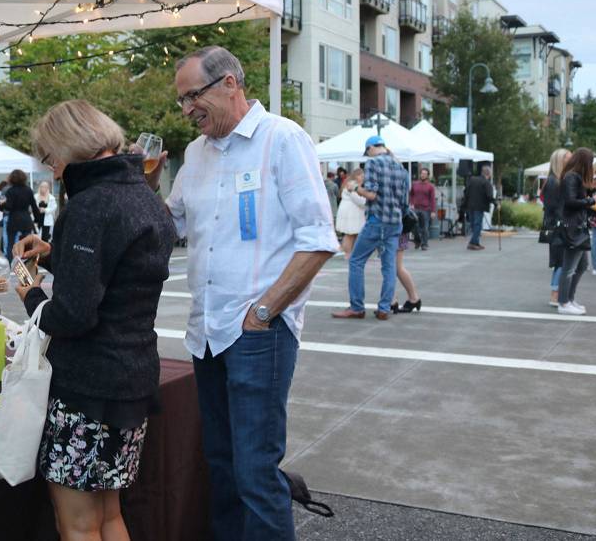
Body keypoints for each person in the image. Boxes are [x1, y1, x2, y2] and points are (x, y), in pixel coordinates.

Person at [152, 46, 337, 540]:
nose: (187, 108)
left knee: (255, 470)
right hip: (207, 333)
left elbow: (318, 240)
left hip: (259, 333)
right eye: (182, 100)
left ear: (230, 83)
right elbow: (166, 225)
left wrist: (263, 312)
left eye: (193, 95)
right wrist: (140, 185)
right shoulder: (196, 154)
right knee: (222, 464)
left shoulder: (282, 139)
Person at [13, 100, 176, 541]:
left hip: (88, 385)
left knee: (78, 523)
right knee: (109, 515)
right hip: (133, 376)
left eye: (49, 157)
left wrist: (30, 294)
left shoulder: (90, 206)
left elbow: (73, 315)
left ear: (66, 149)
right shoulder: (144, 196)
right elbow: (122, 272)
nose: (51, 169)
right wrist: (56, 254)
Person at [333, 135, 410, 322]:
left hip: (377, 221)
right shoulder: (400, 166)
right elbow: (405, 202)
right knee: (389, 266)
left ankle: (357, 307)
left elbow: (372, 194)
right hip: (395, 222)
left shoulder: (374, 163)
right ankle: (384, 308)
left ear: (370, 149)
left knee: (356, 261)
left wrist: (354, 188)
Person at [556, 148, 596, 315]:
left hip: (578, 227)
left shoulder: (574, 176)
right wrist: (592, 199)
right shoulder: (571, 177)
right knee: (570, 268)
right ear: (584, 162)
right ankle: (564, 302)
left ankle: (569, 300)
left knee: (581, 266)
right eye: (590, 162)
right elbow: (570, 202)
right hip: (573, 227)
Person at [542, 148, 571, 307]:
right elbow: (553, 207)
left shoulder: (557, 180)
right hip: (557, 226)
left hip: (557, 225)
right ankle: (555, 294)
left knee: (561, 261)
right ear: (560, 161)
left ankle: (557, 293)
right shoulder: (554, 181)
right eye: (568, 158)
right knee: (561, 261)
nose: (571, 160)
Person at [2, 169, 41, 262]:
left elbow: (8, 207)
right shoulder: (28, 190)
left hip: (14, 218)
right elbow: (34, 207)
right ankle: (26, 263)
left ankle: (11, 263)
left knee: (11, 243)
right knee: (27, 243)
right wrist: (37, 220)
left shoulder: (10, 191)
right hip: (26, 219)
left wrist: (2, 204)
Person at [335, 168, 367, 260]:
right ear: (356, 176)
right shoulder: (353, 185)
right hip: (351, 212)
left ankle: (349, 253)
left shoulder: (349, 183)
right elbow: (357, 199)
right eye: (361, 176)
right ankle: (348, 254)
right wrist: (367, 200)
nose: (363, 178)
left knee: (351, 234)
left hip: (349, 211)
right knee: (350, 234)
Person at [463, 165, 495, 250]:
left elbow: (466, 192)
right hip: (479, 207)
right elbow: (489, 196)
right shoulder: (486, 182)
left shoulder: (472, 180)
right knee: (478, 225)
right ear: (489, 174)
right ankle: (472, 243)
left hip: (470, 205)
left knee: (473, 224)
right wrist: (495, 203)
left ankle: (476, 242)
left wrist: (465, 204)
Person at [390, 230, 421, 313]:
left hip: (394, 231)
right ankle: (413, 298)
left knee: (393, 268)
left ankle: (392, 300)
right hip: (401, 230)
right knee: (397, 267)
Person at [409, 167, 436, 250]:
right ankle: (418, 240)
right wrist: (411, 203)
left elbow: (432, 199)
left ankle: (424, 244)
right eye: (422, 173)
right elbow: (411, 194)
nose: (423, 175)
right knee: (413, 225)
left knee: (425, 227)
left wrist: (433, 211)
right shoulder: (415, 184)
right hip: (415, 208)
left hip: (426, 209)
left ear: (428, 175)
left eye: (425, 174)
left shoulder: (430, 186)